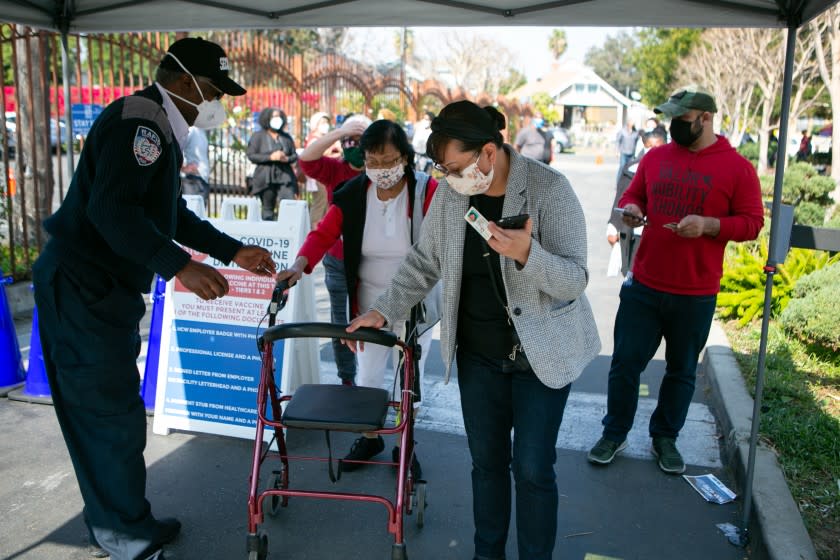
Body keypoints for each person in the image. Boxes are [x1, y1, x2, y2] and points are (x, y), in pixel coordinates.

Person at [31, 37, 276, 560]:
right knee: (106, 416)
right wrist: (180, 266)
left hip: (103, 288)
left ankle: (129, 520)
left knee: (116, 411)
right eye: (213, 91)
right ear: (185, 81)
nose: (216, 104)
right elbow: (113, 211)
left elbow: (166, 215)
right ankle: (124, 535)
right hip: (80, 286)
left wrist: (232, 250)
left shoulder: (159, 126)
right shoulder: (141, 121)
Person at [346, 100, 601, 560]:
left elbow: (575, 279)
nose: (449, 178)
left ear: (488, 151)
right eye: (443, 169)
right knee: (486, 464)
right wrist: (382, 310)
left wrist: (528, 254)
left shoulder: (549, 189)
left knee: (532, 467)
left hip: (541, 354)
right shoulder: (452, 195)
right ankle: (488, 555)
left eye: (456, 166)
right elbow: (424, 262)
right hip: (479, 354)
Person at [587, 85, 764, 475]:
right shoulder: (655, 157)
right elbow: (633, 197)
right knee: (624, 364)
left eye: (681, 120)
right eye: (670, 119)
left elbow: (752, 223)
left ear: (705, 118)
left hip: (695, 291)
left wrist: (709, 225)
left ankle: (665, 438)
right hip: (645, 283)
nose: (673, 126)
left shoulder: (737, 168)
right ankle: (613, 433)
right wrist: (632, 210)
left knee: (681, 371)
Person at [278, 119, 439, 475]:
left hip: (416, 300)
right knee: (367, 375)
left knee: (409, 378)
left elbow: (440, 248)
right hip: (367, 303)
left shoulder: (427, 191)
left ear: (406, 158)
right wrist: (299, 265)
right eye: (373, 160)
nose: (381, 169)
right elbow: (323, 234)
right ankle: (370, 436)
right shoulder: (352, 192)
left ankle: (404, 443)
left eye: (389, 160)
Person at [299, 114, 372, 386]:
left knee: (372, 320)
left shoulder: (379, 173)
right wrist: (338, 132)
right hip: (338, 259)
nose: (355, 147)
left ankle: (371, 378)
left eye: (361, 141)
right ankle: (347, 379)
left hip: (373, 260)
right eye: (350, 141)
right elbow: (306, 159)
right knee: (340, 323)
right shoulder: (334, 170)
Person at [608, 129, 667, 277]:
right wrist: (613, 226)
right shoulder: (632, 168)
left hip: (660, 236)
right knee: (632, 276)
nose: (653, 151)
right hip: (634, 233)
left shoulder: (674, 171)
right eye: (649, 147)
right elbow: (622, 196)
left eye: (657, 147)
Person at [247, 107, 300, 220]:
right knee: (267, 209)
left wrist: (286, 158)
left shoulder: (286, 137)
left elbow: (294, 155)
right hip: (266, 177)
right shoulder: (258, 136)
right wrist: (270, 157)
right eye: (274, 117)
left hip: (285, 176)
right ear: (267, 118)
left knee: (289, 205)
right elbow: (251, 155)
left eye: (279, 117)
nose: (277, 119)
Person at [304, 111, 337, 226]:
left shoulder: (324, 138)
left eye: (326, 122)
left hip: (324, 174)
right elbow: (314, 155)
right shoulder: (314, 139)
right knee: (320, 203)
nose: (325, 125)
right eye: (322, 122)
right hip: (318, 177)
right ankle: (314, 226)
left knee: (325, 203)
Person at [180, 126, 210, 210]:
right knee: (192, 212)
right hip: (191, 179)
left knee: (199, 214)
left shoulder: (201, 130)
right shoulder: (191, 130)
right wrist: (183, 168)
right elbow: (179, 146)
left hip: (202, 177)